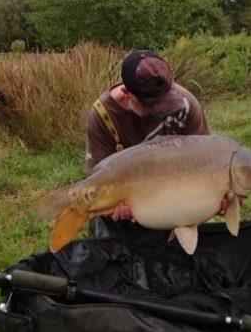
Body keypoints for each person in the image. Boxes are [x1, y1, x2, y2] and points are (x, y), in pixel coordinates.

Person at [85, 50, 239, 225]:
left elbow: (207, 163)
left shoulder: (187, 105)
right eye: (150, 105)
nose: (161, 109)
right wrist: (114, 206)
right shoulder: (102, 116)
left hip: (177, 197)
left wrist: (218, 197)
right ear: (127, 93)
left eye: (166, 100)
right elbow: (98, 180)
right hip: (132, 205)